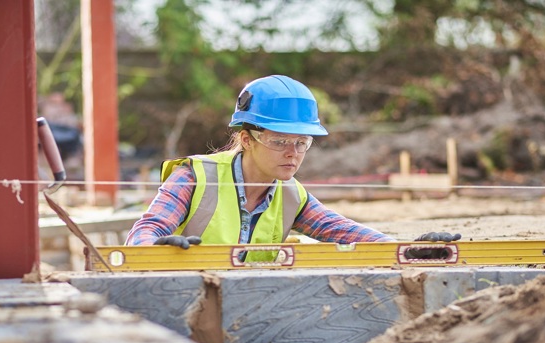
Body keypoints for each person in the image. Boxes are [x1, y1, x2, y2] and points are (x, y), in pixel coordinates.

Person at [125, 75, 460, 258]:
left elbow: (343, 231)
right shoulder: (194, 177)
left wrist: (410, 249)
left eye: (302, 143)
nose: (293, 153)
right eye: (280, 141)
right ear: (246, 139)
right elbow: (144, 232)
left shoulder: (291, 195)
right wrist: (153, 249)